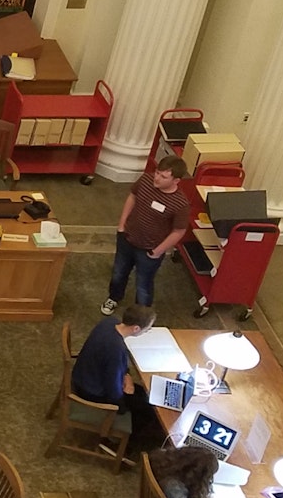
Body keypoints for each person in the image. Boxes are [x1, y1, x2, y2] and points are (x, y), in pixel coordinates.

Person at [103, 155, 193, 315]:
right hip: (127, 239)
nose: (156, 178)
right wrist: (121, 225)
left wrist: (157, 251)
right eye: (157, 173)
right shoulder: (146, 180)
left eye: (163, 176)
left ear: (176, 181)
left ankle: (141, 315)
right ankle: (114, 297)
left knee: (143, 284)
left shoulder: (180, 204)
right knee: (118, 272)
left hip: (150, 250)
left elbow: (178, 231)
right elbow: (132, 196)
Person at [70, 304, 155, 406]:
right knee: (146, 406)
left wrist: (126, 374)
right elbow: (113, 389)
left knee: (142, 394)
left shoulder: (109, 322)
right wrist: (122, 402)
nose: (147, 331)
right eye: (147, 329)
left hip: (84, 375)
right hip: (90, 390)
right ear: (136, 328)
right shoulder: (116, 349)